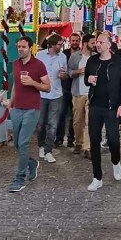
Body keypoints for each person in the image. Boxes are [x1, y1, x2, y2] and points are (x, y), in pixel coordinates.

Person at [0, 36, 50, 193]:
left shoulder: (38, 65)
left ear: (30, 48)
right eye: (18, 46)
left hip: (32, 109)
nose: (20, 49)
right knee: (16, 144)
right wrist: (11, 103)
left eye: (23, 46)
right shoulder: (15, 64)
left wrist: (33, 83)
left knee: (23, 143)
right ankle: (31, 163)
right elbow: (15, 85)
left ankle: (20, 178)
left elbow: (47, 87)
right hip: (17, 109)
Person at [84, 32, 121, 191]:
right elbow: (86, 80)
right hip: (95, 105)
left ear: (109, 45)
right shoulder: (92, 61)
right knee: (94, 142)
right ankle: (97, 177)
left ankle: (116, 161)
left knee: (113, 140)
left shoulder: (118, 61)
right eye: (96, 42)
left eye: (101, 42)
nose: (98, 44)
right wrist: (88, 80)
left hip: (112, 107)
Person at [36, 34, 66, 164]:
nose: (61, 46)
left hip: (56, 94)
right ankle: (41, 145)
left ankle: (49, 150)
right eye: (59, 44)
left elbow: (65, 74)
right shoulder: (40, 55)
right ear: (52, 45)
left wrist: (63, 75)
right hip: (41, 94)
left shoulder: (63, 57)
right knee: (40, 123)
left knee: (52, 125)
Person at [68, 33, 95, 158]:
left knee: (90, 122)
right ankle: (78, 142)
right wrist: (78, 71)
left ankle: (88, 147)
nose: (94, 45)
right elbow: (69, 72)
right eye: (92, 43)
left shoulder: (96, 57)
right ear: (85, 44)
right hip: (78, 92)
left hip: (91, 93)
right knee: (77, 121)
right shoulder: (75, 57)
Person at [56, 33, 81, 147]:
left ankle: (71, 138)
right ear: (70, 41)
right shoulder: (64, 54)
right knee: (61, 114)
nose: (74, 42)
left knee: (74, 115)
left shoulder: (82, 54)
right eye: (73, 40)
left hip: (76, 88)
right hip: (64, 88)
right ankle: (59, 138)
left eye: (76, 40)